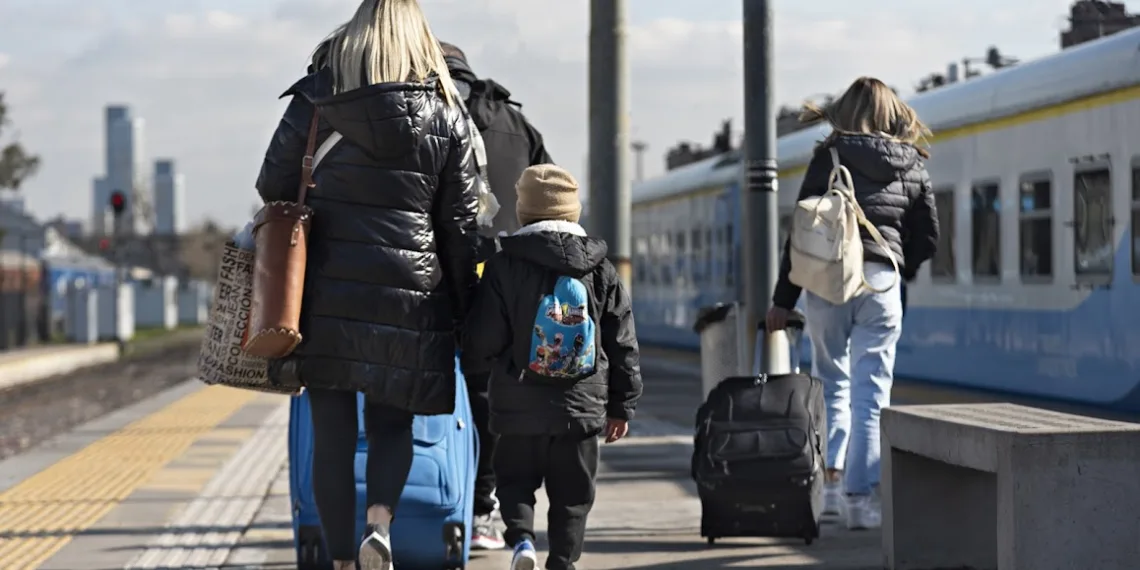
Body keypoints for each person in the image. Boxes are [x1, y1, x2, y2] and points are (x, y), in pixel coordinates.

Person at [255, 1, 481, 569]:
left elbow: (272, 184)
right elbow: (461, 225)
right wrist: (463, 306)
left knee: (330, 434)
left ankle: (339, 561)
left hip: (326, 293)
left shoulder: (314, 102)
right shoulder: (444, 114)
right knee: (392, 423)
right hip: (412, 295)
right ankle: (378, 523)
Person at [765, 77, 939, 531]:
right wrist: (900, 268)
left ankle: (833, 488)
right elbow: (928, 238)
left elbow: (800, 236)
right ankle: (861, 503)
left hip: (829, 279)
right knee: (873, 393)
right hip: (882, 280)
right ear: (894, 113)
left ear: (846, 110)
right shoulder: (914, 162)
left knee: (831, 383)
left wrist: (783, 301)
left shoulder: (829, 156)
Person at [461, 164, 643, 570]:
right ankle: (562, 561)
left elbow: (484, 340)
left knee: (514, 482)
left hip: (515, 405)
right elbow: (622, 342)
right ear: (572, 210)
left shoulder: (504, 266)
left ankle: (522, 542)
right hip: (581, 408)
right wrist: (621, 406)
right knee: (573, 494)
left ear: (523, 211)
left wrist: (476, 366)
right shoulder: (602, 268)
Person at [440, 40, 555, 551]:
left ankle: (431, 500)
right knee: (492, 397)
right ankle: (486, 509)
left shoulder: (421, 112)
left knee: (418, 394)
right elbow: (552, 198)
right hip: (508, 280)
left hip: (436, 279)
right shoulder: (516, 123)